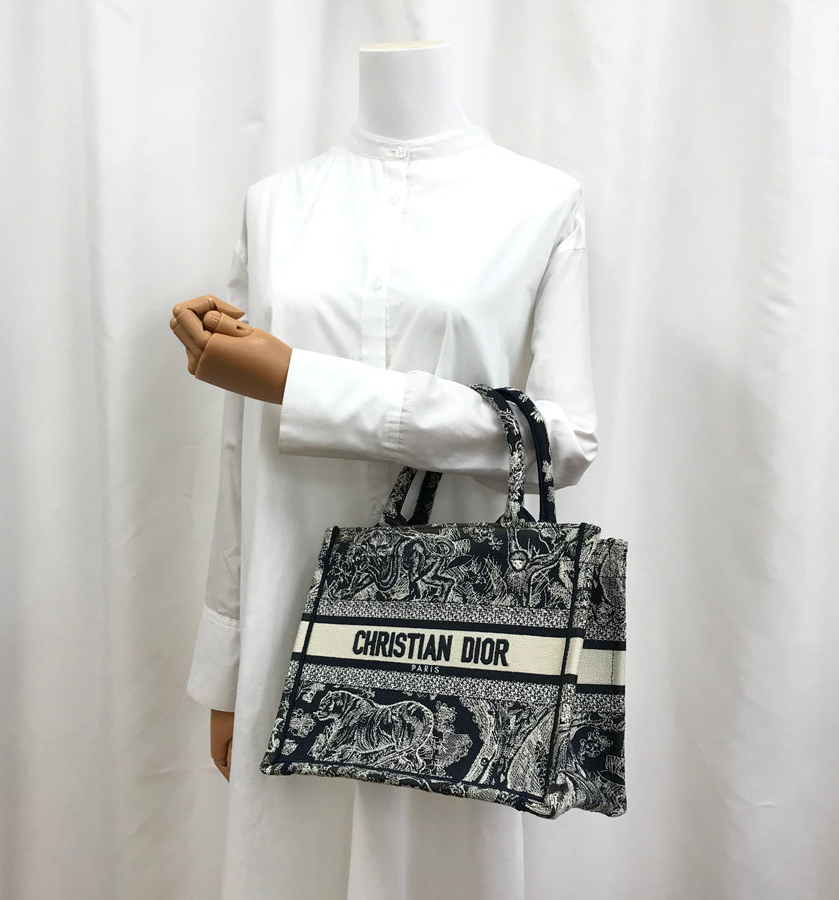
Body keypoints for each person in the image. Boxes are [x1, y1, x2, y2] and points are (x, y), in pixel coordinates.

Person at [170, 38, 597, 900]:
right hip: (286, 629)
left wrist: (303, 381)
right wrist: (226, 663)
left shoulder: (541, 202)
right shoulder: (275, 205)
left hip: (464, 655)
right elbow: (239, 451)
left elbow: (566, 440)